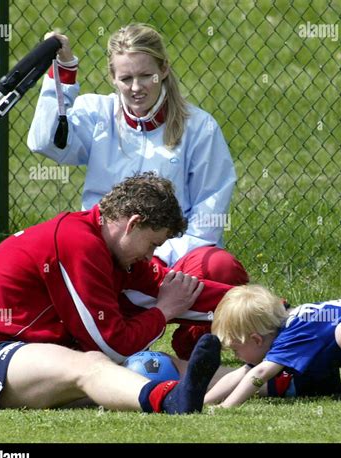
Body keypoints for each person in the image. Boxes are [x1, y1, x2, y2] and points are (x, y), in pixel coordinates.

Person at [27, 24, 248, 359]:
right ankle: (102, 345)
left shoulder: (199, 127)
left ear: (164, 69)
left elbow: (209, 214)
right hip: (106, 256)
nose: (135, 88)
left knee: (220, 267)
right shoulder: (96, 113)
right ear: (112, 78)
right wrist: (63, 73)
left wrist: (153, 259)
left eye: (145, 76)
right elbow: (44, 141)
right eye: (125, 78)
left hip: (171, 259)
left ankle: (195, 352)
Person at [0, 173, 230, 412]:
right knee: (93, 363)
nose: (151, 256)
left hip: (36, 356)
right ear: (133, 223)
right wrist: (162, 312)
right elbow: (111, 345)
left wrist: (263, 311)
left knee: (158, 364)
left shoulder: (114, 250)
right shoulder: (78, 241)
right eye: (153, 244)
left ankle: (265, 380)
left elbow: (179, 291)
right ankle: (170, 401)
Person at [205, 285, 341, 408]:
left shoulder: (292, 334)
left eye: (235, 349)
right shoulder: (279, 331)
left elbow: (260, 372)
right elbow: (243, 373)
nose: (237, 356)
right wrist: (203, 402)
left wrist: (226, 407)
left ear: (257, 339)